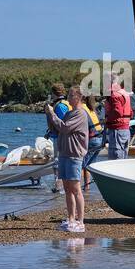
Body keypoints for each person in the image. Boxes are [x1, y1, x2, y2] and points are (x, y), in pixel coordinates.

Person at [45, 87, 91, 233]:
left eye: (71, 95)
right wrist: (49, 114)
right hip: (64, 154)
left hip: (74, 155)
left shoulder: (81, 114)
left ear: (78, 97)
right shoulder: (70, 113)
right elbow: (56, 129)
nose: (68, 98)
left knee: (76, 188)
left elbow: (64, 128)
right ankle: (71, 218)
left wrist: (53, 113)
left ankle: (81, 221)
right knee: (67, 189)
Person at [104, 75, 132, 160]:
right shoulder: (124, 93)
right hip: (126, 129)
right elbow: (130, 112)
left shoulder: (114, 95)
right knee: (123, 156)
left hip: (117, 130)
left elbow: (118, 112)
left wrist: (107, 119)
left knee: (115, 158)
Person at [80, 95, 104, 191]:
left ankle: (77, 186)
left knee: (81, 165)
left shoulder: (82, 108)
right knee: (89, 165)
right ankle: (87, 187)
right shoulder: (92, 109)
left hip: (92, 140)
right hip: (100, 139)